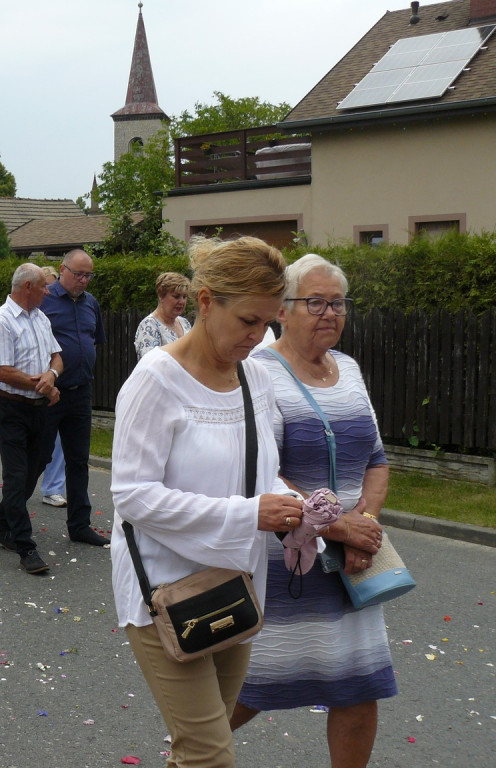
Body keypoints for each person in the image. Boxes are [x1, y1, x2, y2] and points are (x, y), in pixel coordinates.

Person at [110, 236, 304, 767]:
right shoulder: (155, 379)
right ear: (205, 301)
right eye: (248, 320)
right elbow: (131, 494)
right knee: (210, 755)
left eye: (268, 322)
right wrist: (250, 514)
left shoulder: (256, 376)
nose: (258, 336)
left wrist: (293, 502)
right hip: (166, 593)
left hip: (236, 583)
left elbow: (258, 471)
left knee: (197, 751)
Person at [230, 254, 394, 768]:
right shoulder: (258, 372)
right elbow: (264, 469)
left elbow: (376, 458)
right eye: (316, 302)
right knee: (254, 682)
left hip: (352, 560)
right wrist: (339, 528)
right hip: (288, 557)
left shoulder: (349, 369)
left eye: (338, 303)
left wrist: (365, 526)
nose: (330, 313)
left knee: (358, 686)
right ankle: (190, 751)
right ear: (282, 310)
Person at [0, 263, 63, 575]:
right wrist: (42, 385)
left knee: (38, 464)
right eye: (44, 286)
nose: (48, 291)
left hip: (39, 407)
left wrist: (51, 375)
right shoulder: (0, 321)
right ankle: (25, 547)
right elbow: (2, 371)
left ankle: (2, 525)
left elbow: (57, 356)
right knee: (16, 475)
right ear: (27, 287)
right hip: (11, 406)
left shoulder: (41, 318)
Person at [36, 249, 108, 546]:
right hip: (50, 393)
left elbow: (95, 341)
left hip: (81, 391)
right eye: (78, 274)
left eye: (88, 275)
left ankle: (79, 525)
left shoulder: (91, 303)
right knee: (37, 457)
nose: (83, 280)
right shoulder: (44, 301)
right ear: (62, 270)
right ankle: (7, 521)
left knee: (78, 461)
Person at [37, 266, 67, 508]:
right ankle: (21, 480)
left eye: (51, 285)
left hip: (63, 379)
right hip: (37, 382)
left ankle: (53, 487)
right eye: (43, 285)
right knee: (37, 439)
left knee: (58, 441)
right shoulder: (34, 311)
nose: (47, 290)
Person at [134, 271, 192, 359]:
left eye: (184, 297)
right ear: (161, 296)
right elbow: (151, 362)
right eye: (176, 296)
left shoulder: (185, 323)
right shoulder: (149, 326)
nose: (182, 302)